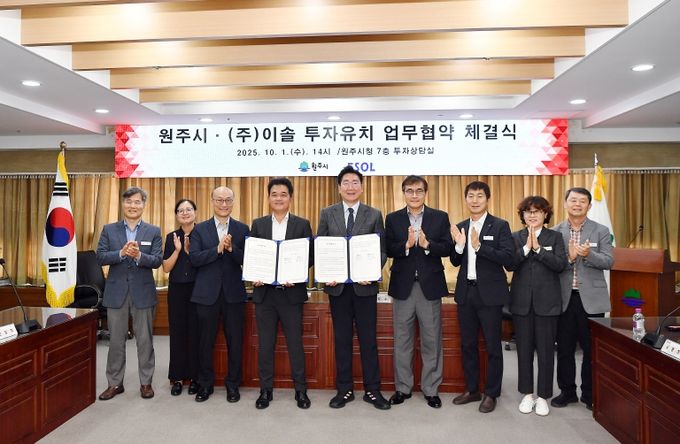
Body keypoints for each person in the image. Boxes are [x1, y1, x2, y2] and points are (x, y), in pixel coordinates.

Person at [317, 165, 390, 410]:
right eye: (346, 182)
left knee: (369, 340)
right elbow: (322, 246)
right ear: (339, 188)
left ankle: (373, 390)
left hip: (365, 288)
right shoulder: (327, 213)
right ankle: (344, 390)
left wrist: (372, 271)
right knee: (342, 340)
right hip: (338, 289)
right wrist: (326, 273)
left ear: (362, 187)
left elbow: (381, 250)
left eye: (355, 182)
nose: (350, 187)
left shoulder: (374, 214)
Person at [385, 175, 453, 409]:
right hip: (403, 287)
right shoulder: (393, 218)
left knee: (431, 341)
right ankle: (402, 388)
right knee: (402, 340)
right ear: (403, 193)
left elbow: (447, 248)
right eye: (410, 191)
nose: (414, 195)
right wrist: (405, 245)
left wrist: (427, 245)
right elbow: (387, 248)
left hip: (429, 287)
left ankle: (431, 389)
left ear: (425, 193)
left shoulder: (439, 217)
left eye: (419, 191)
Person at [449, 180, 513, 413]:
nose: (475, 200)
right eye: (471, 196)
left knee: (493, 346)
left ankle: (491, 393)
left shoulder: (500, 226)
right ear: (465, 199)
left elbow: (508, 258)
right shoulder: (461, 226)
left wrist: (479, 247)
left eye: (479, 196)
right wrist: (459, 246)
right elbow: (455, 261)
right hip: (466, 293)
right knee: (468, 345)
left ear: (487, 199)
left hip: (490, 295)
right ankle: (472, 389)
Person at [250, 177, 313, 410]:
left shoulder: (302, 224)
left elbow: (309, 256)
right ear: (268, 198)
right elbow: (253, 255)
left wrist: (295, 274)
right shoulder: (258, 224)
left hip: (291, 294)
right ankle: (265, 390)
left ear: (290, 198)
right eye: (274, 194)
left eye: (283, 194)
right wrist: (255, 274)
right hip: (265, 294)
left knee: (295, 344)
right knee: (265, 345)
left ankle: (301, 390)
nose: (279, 198)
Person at [97, 186, 163, 401]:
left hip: (143, 293)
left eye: (137, 202)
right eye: (129, 202)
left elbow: (157, 260)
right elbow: (100, 256)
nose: (133, 206)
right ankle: (115, 383)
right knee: (116, 341)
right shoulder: (109, 229)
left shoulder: (153, 231)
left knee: (145, 341)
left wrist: (138, 256)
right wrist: (121, 253)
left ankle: (146, 383)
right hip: (116, 293)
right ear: (123, 204)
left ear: (143, 205)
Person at [552, 187, 614, 411]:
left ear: (589, 205)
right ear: (565, 203)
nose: (577, 204)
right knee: (565, 349)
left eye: (582, 201)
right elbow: (552, 265)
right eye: (573, 200)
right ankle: (567, 392)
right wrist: (569, 258)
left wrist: (589, 255)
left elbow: (609, 261)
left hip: (592, 300)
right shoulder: (555, 232)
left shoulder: (601, 230)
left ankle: (590, 393)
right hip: (564, 298)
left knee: (591, 350)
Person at [506, 196, 566, 416]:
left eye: (537, 211)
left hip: (547, 303)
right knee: (523, 351)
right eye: (528, 211)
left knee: (546, 352)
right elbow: (509, 264)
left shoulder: (555, 237)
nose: (532, 215)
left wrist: (539, 250)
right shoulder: (515, 237)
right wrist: (525, 249)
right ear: (522, 215)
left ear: (545, 214)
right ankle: (527, 394)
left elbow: (560, 265)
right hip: (521, 303)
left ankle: (543, 396)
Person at [189, 186, 249, 403]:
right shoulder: (199, 229)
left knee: (235, 342)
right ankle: (205, 384)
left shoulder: (242, 229)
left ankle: (233, 385)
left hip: (234, 295)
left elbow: (248, 260)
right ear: (212, 201)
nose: (224, 204)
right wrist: (217, 249)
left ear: (233, 202)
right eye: (219, 200)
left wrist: (232, 249)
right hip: (207, 295)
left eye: (228, 200)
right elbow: (194, 259)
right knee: (205, 342)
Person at [162, 199, 199, 396]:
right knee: (177, 333)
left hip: (197, 289)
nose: (185, 213)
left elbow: (205, 263)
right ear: (176, 215)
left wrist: (189, 251)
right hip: (176, 290)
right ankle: (176, 378)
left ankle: (194, 377)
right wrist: (177, 251)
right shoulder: (171, 237)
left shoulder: (203, 234)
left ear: (195, 212)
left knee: (195, 333)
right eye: (180, 210)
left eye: (188, 209)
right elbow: (166, 268)